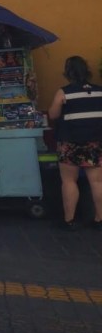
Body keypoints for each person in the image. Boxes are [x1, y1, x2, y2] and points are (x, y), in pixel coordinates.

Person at [47, 55, 102, 230]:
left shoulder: (64, 92)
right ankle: (99, 219)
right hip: (96, 141)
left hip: (70, 142)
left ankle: (69, 220)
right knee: (98, 182)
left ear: (67, 73)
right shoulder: (99, 91)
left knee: (69, 181)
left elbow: (53, 115)